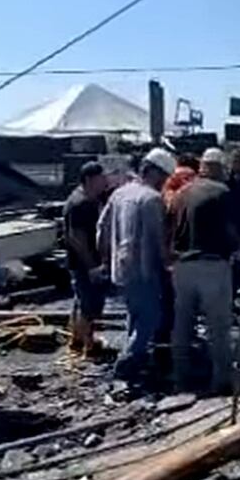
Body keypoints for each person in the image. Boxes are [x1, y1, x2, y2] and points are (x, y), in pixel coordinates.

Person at [98, 148, 176, 382]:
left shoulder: (119, 194)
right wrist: (167, 265)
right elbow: (158, 239)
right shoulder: (151, 199)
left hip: (119, 269)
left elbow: (101, 229)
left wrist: (105, 259)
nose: (163, 183)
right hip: (143, 269)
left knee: (134, 315)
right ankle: (127, 363)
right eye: (162, 178)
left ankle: (135, 361)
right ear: (153, 172)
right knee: (151, 317)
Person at [169, 147, 239, 394]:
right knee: (218, 326)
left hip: (181, 267)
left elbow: (169, 228)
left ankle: (180, 378)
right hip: (212, 265)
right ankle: (220, 380)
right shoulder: (222, 192)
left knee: (183, 324)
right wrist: (239, 250)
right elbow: (231, 231)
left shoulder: (179, 194)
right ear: (218, 168)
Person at [63, 161, 109, 354]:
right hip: (84, 262)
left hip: (81, 261)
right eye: (101, 178)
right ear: (90, 179)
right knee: (89, 303)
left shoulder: (86, 198)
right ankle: (88, 345)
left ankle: (77, 338)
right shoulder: (81, 203)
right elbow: (77, 237)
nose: (105, 181)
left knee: (81, 300)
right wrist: (91, 266)